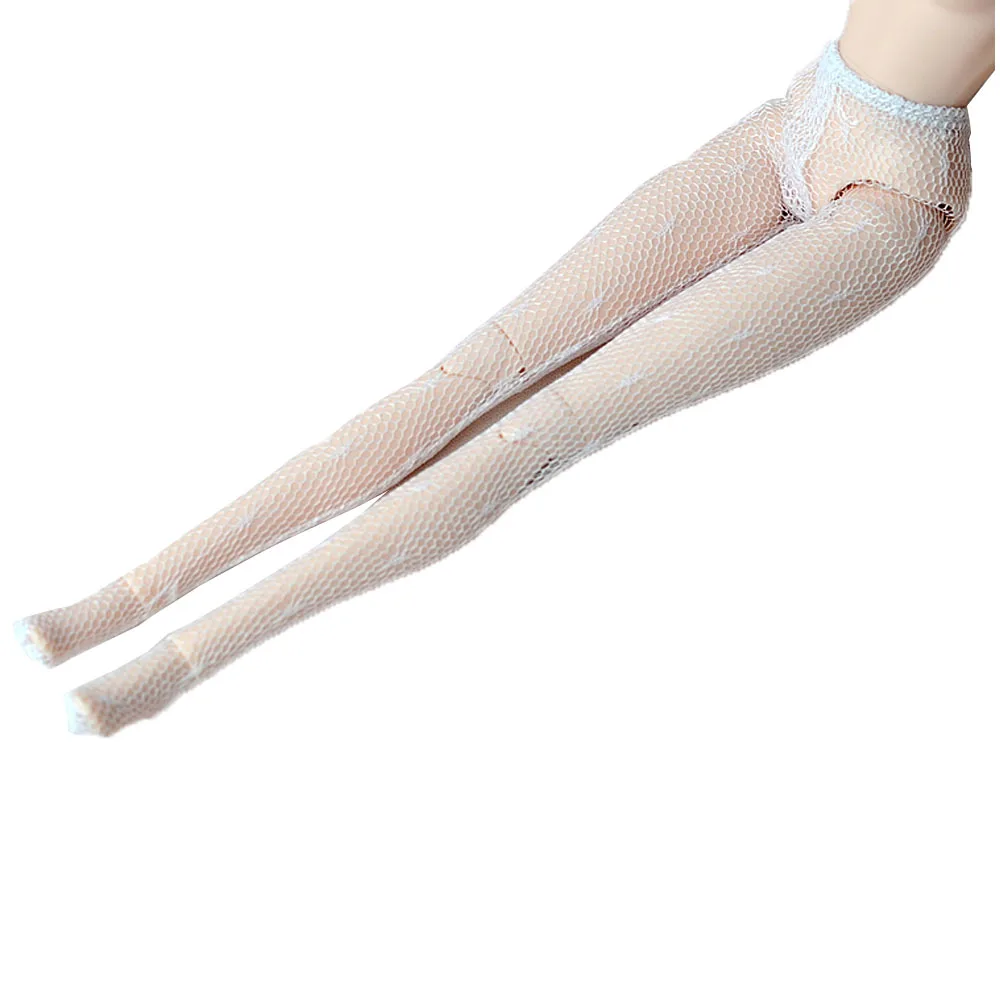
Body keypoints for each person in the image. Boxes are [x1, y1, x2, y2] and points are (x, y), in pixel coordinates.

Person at [15, 0, 995, 735]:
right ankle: (130, 596)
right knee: (471, 374)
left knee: (534, 431)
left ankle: (179, 661)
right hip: (802, 111)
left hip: (892, 192)